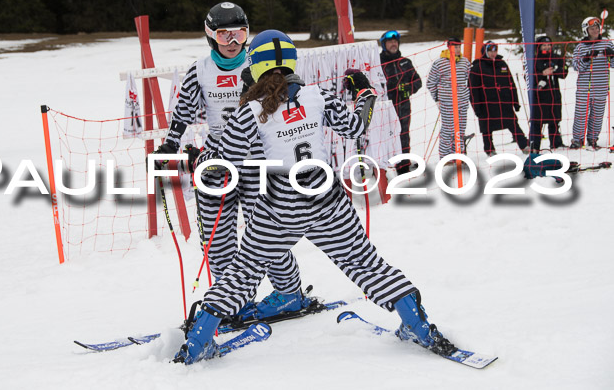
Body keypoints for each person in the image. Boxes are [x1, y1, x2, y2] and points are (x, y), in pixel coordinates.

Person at [174, 30, 457, 365]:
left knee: (243, 272)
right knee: (366, 264)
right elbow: (355, 127)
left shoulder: (248, 112)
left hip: (278, 205)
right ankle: (418, 325)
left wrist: (197, 159)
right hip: (328, 200)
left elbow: (221, 168)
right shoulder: (316, 95)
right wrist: (364, 94)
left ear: (254, 66)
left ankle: (199, 342)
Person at [153, 2, 306, 320]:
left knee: (265, 231)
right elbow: (184, 111)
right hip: (216, 160)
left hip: (256, 160)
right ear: (211, 36)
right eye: (224, 35)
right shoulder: (200, 69)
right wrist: (170, 143)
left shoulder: (258, 64)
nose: (233, 41)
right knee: (216, 235)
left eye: (239, 33)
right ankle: (230, 299)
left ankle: (289, 291)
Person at [468, 41, 529, 156]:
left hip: (504, 103)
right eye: (490, 51)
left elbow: (511, 84)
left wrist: (515, 102)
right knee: (486, 129)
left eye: (495, 50)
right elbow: (473, 90)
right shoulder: (477, 67)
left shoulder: (502, 64)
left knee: (513, 124)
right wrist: (477, 107)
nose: (493, 53)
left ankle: (524, 145)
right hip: (486, 104)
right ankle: (489, 149)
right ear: (485, 52)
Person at [379, 30, 423, 173]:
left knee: (403, 133)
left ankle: (403, 164)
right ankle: (386, 165)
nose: (394, 44)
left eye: (396, 42)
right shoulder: (377, 63)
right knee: (386, 135)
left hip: (403, 105)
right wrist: (390, 88)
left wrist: (409, 89)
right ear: (384, 45)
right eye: (391, 42)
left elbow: (417, 80)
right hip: (385, 107)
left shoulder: (405, 62)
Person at [570, 16, 614, 149]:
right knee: (581, 114)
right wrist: (587, 58)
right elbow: (576, 66)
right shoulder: (580, 47)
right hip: (585, 88)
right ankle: (577, 140)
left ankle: (593, 138)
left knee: (597, 115)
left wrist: (612, 55)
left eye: (597, 28)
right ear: (586, 31)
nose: (595, 30)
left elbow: (613, 64)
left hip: (601, 87)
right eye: (592, 28)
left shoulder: (607, 44)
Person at [427, 37, 471, 158]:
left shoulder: (465, 62)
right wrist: (437, 99)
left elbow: (468, 80)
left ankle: (458, 154)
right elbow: (430, 83)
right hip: (447, 103)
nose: (457, 49)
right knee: (448, 129)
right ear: (448, 47)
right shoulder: (439, 63)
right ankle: (445, 156)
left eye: (458, 46)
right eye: (454, 47)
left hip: (462, 102)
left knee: (460, 129)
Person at [530, 36, 568, 151]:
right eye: (544, 45)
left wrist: (555, 70)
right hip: (539, 95)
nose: (547, 47)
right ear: (539, 47)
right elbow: (528, 77)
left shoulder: (556, 58)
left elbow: (564, 72)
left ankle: (556, 143)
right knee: (537, 122)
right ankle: (534, 145)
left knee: (555, 120)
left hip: (554, 94)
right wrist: (542, 73)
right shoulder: (534, 60)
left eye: (548, 45)